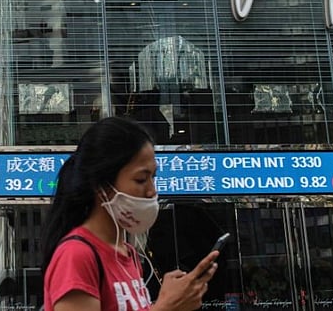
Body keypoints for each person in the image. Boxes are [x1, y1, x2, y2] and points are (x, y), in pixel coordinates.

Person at [41, 116, 218, 311]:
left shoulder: (128, 253)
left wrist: (172, 299)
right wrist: (166, 307)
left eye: (153, 177)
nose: (152, 191)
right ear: (101, 185)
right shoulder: (76, 255)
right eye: (141, 179)